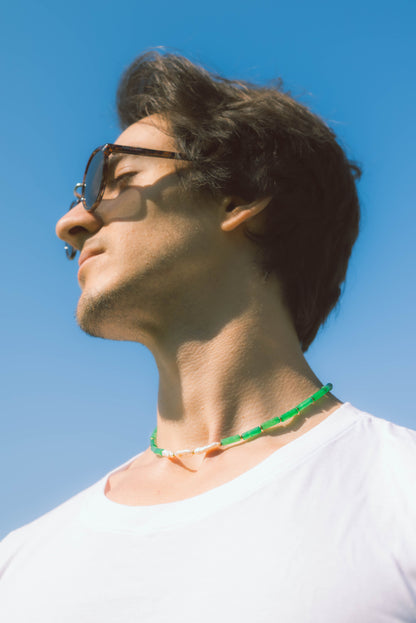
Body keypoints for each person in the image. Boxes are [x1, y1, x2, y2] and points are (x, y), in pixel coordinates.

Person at [1, 51, 415, 622]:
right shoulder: (17, 566)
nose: (71, 222)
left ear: (239, 198)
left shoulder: (402, 497)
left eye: (115, 180)